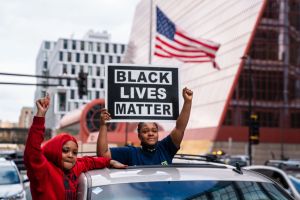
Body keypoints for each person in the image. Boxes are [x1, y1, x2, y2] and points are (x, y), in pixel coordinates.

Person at [24, 95, 127, 200]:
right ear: (55, 151)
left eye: (74, 152)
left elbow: (89, 162)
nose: (70, 155)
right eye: (65, 150)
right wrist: (40, 115)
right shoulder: (43, 169)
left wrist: (109, 162)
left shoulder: (75, 167)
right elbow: (32, 151)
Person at [97, 87, 193, 166]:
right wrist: (103, 125)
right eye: (145, 131)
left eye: (154, 131)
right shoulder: (131, 153)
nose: (150, 134)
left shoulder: (166, 148)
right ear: (139, 136)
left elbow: (180, 128)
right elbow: (103, 155)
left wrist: (187, 102)